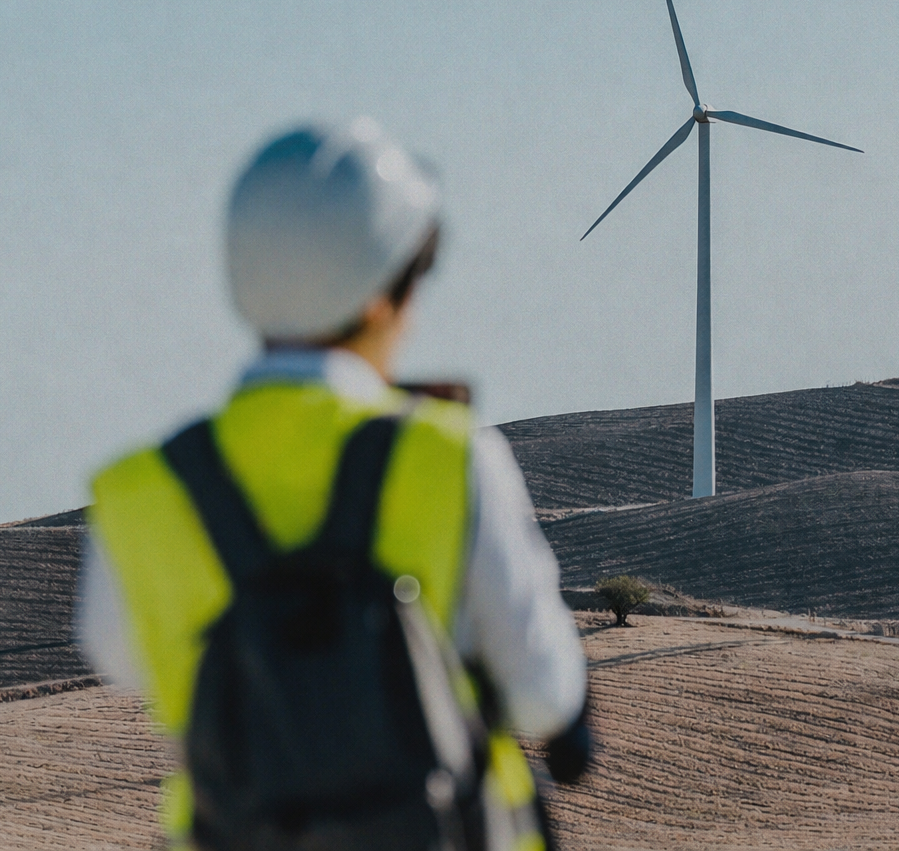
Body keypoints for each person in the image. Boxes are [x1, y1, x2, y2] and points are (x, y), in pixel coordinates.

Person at [77, 117, 590, 850]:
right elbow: (542, 692)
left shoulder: (138, 493)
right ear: (382, 297)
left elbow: (121, 657)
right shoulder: (449, 458)